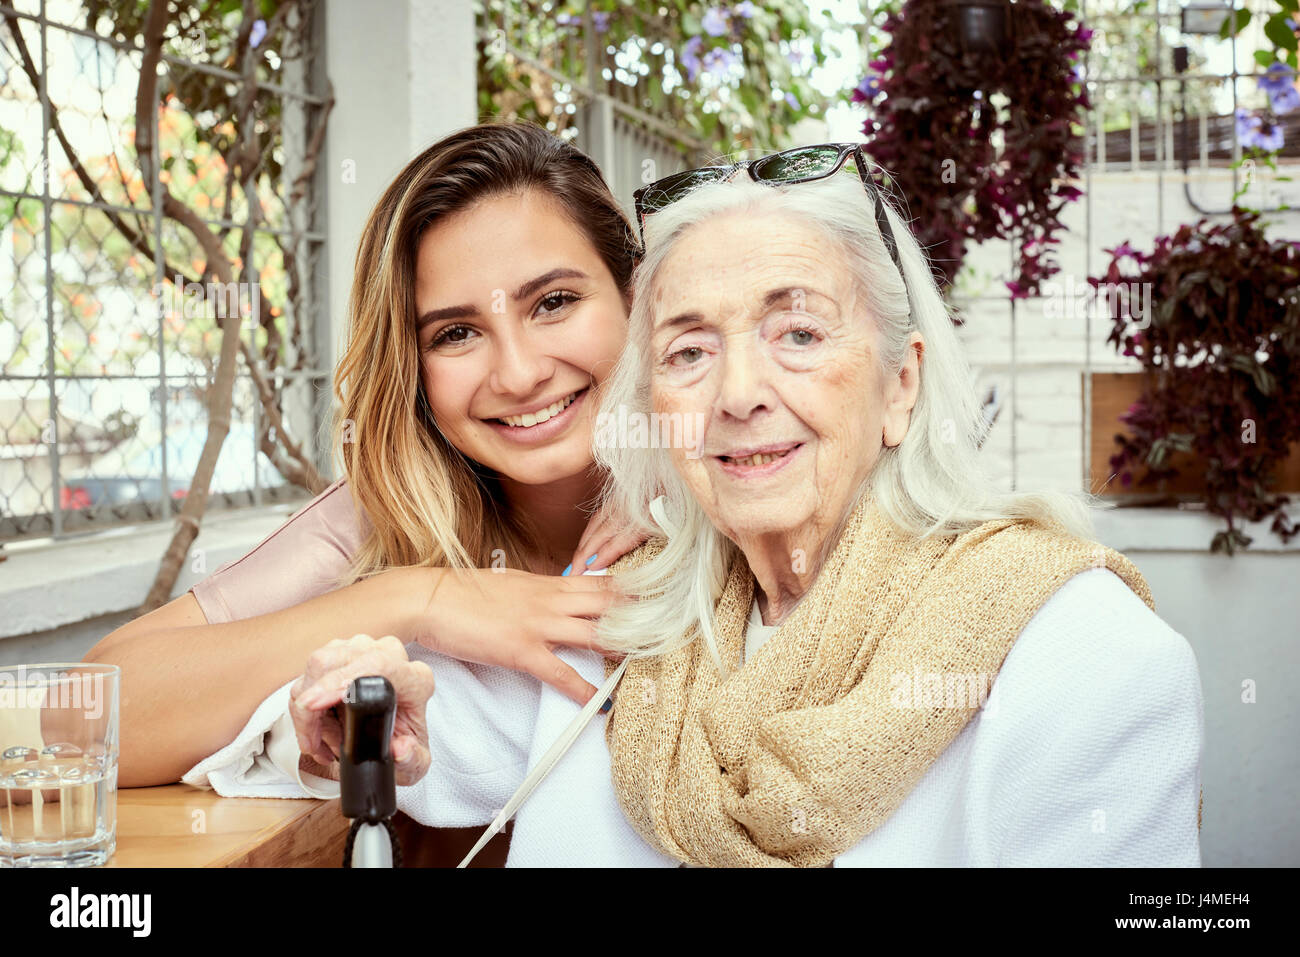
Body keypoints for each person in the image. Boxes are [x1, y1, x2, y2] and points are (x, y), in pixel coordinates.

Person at [188, 145, 1204, 867]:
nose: (736, 392)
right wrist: (343, 717)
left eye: (797, 334)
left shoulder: (1074, 651)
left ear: (899, 386)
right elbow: (349, 736)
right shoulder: (617, 627)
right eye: (687, 351)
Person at [83, 122, 647, 789]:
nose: (519, 374)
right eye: (456, 333)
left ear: (636, 297)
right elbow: (75, 721)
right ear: (411, 367)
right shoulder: (383, 515)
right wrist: (418, 597)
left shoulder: (739, 463)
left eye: (554, 302)